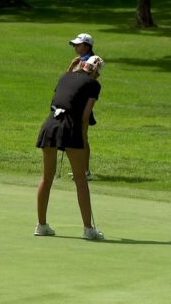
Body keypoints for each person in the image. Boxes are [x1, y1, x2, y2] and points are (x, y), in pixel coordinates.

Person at [34, 55, 105, 240]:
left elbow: (63, 93)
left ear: (83, 65)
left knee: (46, 177)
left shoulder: (65, 76)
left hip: (50, 124)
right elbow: (84, 117)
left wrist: (71, 68)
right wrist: (82, 140)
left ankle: (41, 225)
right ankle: (88, 229)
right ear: (96, 72)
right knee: (80, 179)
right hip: (70, 126)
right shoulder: (94, 85)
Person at [67, 33, 97, 181]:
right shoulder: (78, 60)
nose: (75, 47)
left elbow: (90, 78)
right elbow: (67, 79)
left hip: (84, 103)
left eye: (78, 45)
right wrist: (72, 66)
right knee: (74, 136)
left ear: (86, 46)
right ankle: (78, 168)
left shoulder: (94, 60)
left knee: (82, 136)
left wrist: (77, 69)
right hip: (72, 102)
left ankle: (85, 171)